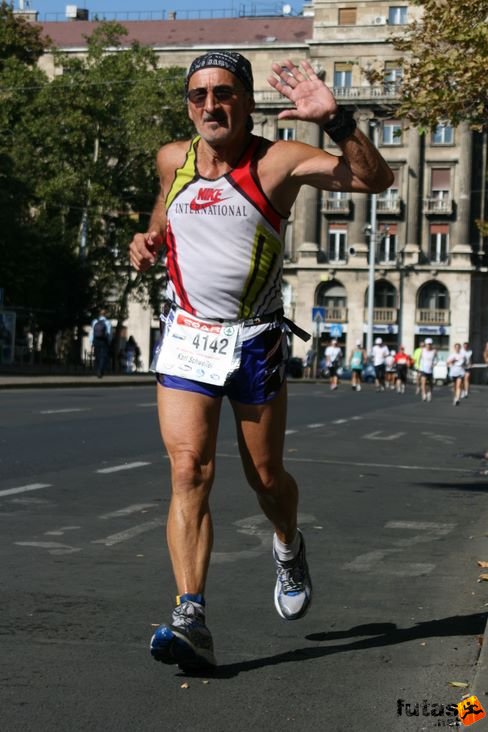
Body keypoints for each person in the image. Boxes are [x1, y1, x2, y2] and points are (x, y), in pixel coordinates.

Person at [129, 50, 393, 673]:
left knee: (266, 479)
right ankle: (190, 615)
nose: (210, 105)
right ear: (188, 104)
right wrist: (146, 243)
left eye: (224, 93)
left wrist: (337, 121)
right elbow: (162, 223)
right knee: (189, 469)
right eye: (198, 96)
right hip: (190, 335)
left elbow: (373, 181)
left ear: (247, 101)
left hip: (254, 339)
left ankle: (287, 541)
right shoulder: (174, 158)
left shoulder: (278, 161)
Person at [89, 309, 112, 378]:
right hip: (103, 341)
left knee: (97, 356)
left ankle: (97, 370)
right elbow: (109, 333)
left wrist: (91, 342)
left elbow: (91, 333)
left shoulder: (95, 321)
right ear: (105, 314)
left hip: (96, 340)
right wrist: (109, 341)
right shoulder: (108, 322)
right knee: (103, 356)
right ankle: (100, 370)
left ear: (99, 314)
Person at [419, 337, 437, 402]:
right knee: (423, 382)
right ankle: (424, 394)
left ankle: (429, 393)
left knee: (430, 383)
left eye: (430, 344)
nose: (429, 345)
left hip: (430, 370)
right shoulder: (422, 350)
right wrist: (419, 368)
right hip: (423, 369)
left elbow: (436, 360)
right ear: (425, 344)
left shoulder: (434, 351)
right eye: (427, 344)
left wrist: (434, 364)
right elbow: (420, 359)